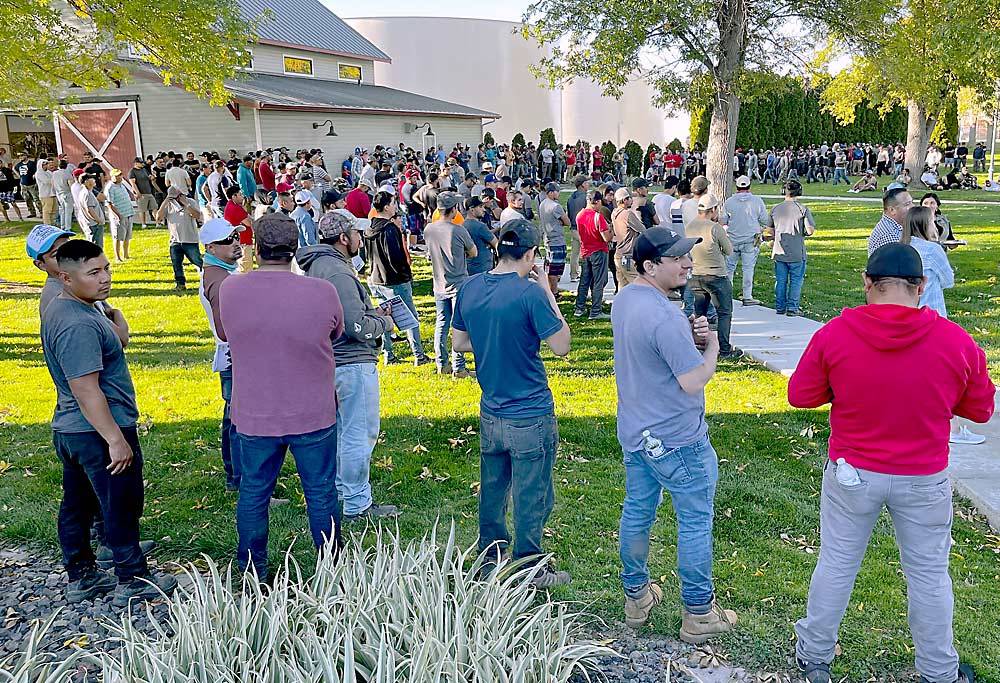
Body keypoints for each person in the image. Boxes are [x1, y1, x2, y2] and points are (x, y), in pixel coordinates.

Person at [788, 243, 995, 683]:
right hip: (923, 476)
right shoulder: (954, 340)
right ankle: (939, 671)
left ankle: (815, 657)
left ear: (867, 283)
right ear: (921, 286)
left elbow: (801, 395)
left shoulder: (835, 334)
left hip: (852, 473)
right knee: (929, 576)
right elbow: (980, 409)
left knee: (837, 563)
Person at [612, 226, 739, 643]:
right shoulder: (664, 315)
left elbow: (651, 348)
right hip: (678, 440)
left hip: (637, 432)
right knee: (695, 521)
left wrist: (685, 333)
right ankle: (699, 612)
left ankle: (637, 598)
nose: (687, 262)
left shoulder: (628, 297)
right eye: (677, 258)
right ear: (651, 265)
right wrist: (711, 348)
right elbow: (692, 380)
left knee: (637, 511)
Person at [40, 239, 177, 606]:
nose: (105, 278)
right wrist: (116, 439)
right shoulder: (76, 325)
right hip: (95, 428)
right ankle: (132, 578)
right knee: (120, 502)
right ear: (66, 278)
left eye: (106, 269)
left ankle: (82, 574)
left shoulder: (73, 308)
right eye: (94, 272)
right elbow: (86, 389)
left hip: (72, 428)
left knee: (78, 503)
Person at [219, 212, 345, 581]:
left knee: (254, 492)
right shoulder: (322, 291)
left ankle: (253, 570)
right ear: (294, 249)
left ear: (255, 248)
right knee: (321, 490)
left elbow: (226, 333)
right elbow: (335, 333)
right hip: (313, 411)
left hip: (255, 412)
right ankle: (331, 570)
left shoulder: (230, 289)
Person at [451, 218, 572, 587]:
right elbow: (562, 345)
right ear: (531, 254)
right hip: (530, 412)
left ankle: (489, 558)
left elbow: (458, 343)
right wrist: (547, 291)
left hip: (492, 410)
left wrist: (493, 340)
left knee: (493, 488)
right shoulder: (529, 294)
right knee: (532, 492)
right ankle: (530, 565)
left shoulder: (469, 288)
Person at [298, 211, 400, 522]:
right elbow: (355, 326)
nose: (361, 239)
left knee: (343, 431)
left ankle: (343, 490)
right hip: (351, 362)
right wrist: (382, 322)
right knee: (359, 432)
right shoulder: (338, 272)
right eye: (357, 233)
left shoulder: (320, 265)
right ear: (344, 238)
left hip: (330, 361)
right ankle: (357, 502)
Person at [901, 208, 985, 446]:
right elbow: (948, 281)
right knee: (944, 376)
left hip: (907, 318)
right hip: (933, 319)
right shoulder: (932, 250)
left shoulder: (903, 248)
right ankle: (953, 427)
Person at [197, 218, 244, 492]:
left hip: (231, 357)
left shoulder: (218, 273)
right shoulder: (220, 280)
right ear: (211, 247)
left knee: (234, 419)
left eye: (236, 237)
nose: (235, 243)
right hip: (235, 357)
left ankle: (236, 477)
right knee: (240, 422)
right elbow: (226, 330)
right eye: (228, 241)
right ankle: (241, 479)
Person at [365, 191, 432, 367]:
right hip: (394, 280)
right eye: (393, 203)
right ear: (386, 207)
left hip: (376, 279)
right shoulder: (389, 229)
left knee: (384, 317)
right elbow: (396, 257)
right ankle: (419, 355)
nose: (395, 206)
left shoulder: (369, 228)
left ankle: (389, 355)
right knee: (409, 318)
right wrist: (406, 275)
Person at [424, 192, 477, 378]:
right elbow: (474, 252)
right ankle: (459, 368)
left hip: (439, 283)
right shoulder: (458, 229)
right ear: (453, 209)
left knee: (441, 324)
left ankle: (442, 364)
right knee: (459, 327)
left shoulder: (429, 229)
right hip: (459, 285)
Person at [686, 194, 735, 356]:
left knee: (700, 315)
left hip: (697, 274)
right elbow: (728, 250)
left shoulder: (690, 226)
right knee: (724, 313)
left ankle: (699, 345)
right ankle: (724, 349)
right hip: (717, 276)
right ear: (712, 210)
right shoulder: (715, 228)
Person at [764, 179, 815, 316]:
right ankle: (792, 308)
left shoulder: (775, 208)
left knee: (780, 280)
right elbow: (810, 230)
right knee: (796, 280)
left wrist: (777, 233)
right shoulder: (802, 209)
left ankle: (780, 307)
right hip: (797, 252)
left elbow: (769, 229)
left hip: (779, 251)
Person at [722, 175, 768, 305]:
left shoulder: (729, 201)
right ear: (749, 186)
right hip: (750, 239)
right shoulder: (757, 201)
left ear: (737, 187)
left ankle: (727, 295)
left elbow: (723, 220)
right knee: (748, 268)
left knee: (729, 268)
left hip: (732, 239)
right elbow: (765, 219)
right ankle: (747, 296)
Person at [573, 189, 612, 320]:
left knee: (584, 281)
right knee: (599, 282)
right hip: (599, 251)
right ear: (598, 201)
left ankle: (580, 307)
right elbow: (606, 238)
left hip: (585, 251)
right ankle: (595, 311)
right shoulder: (598, 216)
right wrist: (612, 230)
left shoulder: (579, 215)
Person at [157, 186, 203, 291]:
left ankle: (206, 279)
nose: (176, 200)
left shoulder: (190, 202)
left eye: (177, 197)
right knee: (176, 264)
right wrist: (165, 203)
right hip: (175, 240)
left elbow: (197, 215)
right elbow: (158, 218)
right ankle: (180, 284)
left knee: (197, 261)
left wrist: (186, 203)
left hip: (190, 239)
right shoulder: (168, 205)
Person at [611, 186, 646, 287]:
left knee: (623, 286)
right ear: (625, 200)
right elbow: (642, 229)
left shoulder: (614, 213)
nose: (632, 200)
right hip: (627, 257)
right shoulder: (628, 214)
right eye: (630, 198)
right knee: (641, 285)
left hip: (618, 255)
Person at [538, 182, 569, 294]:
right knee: (555, 269)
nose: (559, 193)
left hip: (547, 239)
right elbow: (567, 222)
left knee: (549, 267)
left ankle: (549, 290)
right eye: (557, 191)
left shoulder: (542, 204)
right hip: (557, 240)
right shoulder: (556, 206)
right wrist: (561, 221)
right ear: (550, 192)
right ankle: (554, 292)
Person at [868, 187, 913, 255]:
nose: (913, 207)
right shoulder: (889, 236)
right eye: (907, 204)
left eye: (911, 202)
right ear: (892, 210)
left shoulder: (897, 227)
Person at [105, 169, 136, 263]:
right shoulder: (110, 187)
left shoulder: (122, 185)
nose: (120, 177)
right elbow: (109, 203)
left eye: (121, 175)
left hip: (128, 213)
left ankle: (126, 255)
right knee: (118, 237)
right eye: (117, 175)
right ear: (113, 177)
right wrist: (117, 215)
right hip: (119, 216)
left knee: (127, 236)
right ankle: (117, 257)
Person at [463, 197, 499, 276]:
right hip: (483, 268)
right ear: (472, 209)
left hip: (468, 268)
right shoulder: (480, 226)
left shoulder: (462, 225)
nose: (484, 209)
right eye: (480, 207)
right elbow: (496, 244)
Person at [566, 175, 590, 281]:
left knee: (575, 253)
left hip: (573, 227)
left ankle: (573, 274)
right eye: (586, 183)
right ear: (582, 185)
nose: (588, 184)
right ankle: (586, 273)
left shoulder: (571, 197)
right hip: (583, 228)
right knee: (587, 251)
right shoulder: (586, 197)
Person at [128, 158, 157, 228]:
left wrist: (153, 176)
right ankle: (143, 224)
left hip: (149, 192)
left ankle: (158, 222)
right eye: (140, 163)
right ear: (136, 163)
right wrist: (137, 192)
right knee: (142, 209)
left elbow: (150, 177)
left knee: (154, 207)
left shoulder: (144, 170)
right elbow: (133, 183)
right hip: (141, 193)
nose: (142, 164)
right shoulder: (132, 171)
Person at [35, 158, 58, 226]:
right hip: (45, 194)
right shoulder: (39, 173)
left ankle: (53, 223)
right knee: (47, 211)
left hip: (52, 193)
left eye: (46, 164)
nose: (46, 166)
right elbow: (47, 181)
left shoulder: (48, 172)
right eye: (44, 164)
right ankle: (47, 224)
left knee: (53, 210)